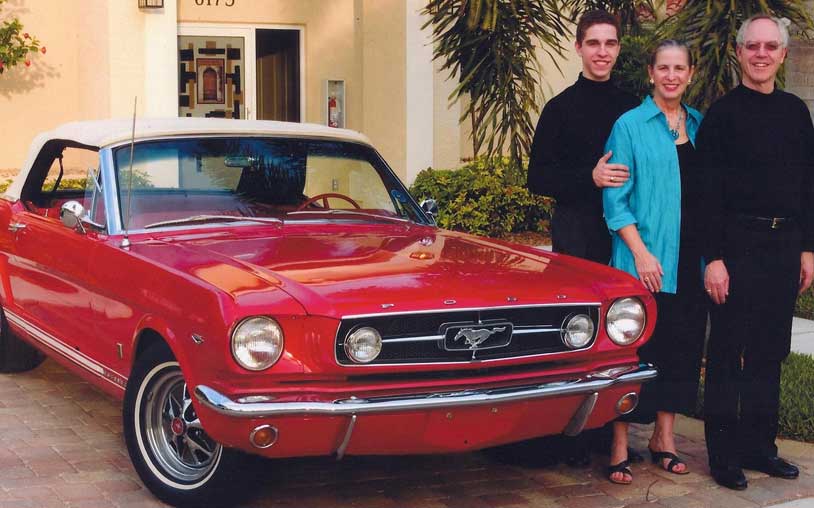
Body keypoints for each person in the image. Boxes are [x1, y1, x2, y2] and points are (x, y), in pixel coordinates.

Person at [695, 14, 814, 491]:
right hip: (737, 247)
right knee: (728, 351)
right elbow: (706, 196)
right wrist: (716, 258)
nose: (762, 54)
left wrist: (808, 247)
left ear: (782, 55)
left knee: (770, 351)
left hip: (784, 246)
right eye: (753, 46)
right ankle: (724, 456)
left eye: (771, 47)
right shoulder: (722, 115)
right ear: (739, 53)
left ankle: (760, 447)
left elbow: (808, 185)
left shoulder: (795, 112)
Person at [527, 9, 641, 467]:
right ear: (579, 47)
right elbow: (538, 177)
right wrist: (589, 177)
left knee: (621, 331)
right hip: (578, 233)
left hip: (625, 235)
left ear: (618, 48)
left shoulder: (634, 107)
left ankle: (610, 430)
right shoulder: (560, 108)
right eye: (593, 43)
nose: (602, 52)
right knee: (578, 331)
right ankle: (569, 433)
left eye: (610, 43)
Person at [602, 40, 706, 485]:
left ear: (690, 74)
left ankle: (665, 439)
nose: (671, 76)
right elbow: (615, 199)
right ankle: (619, 446)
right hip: (639, 261)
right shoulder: (629, 125)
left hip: (689, 262)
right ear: (650, 73)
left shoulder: (700, 125)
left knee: (680, 350)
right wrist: (642, 253)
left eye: (679, 68)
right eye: (663, 68)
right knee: (633, 355)